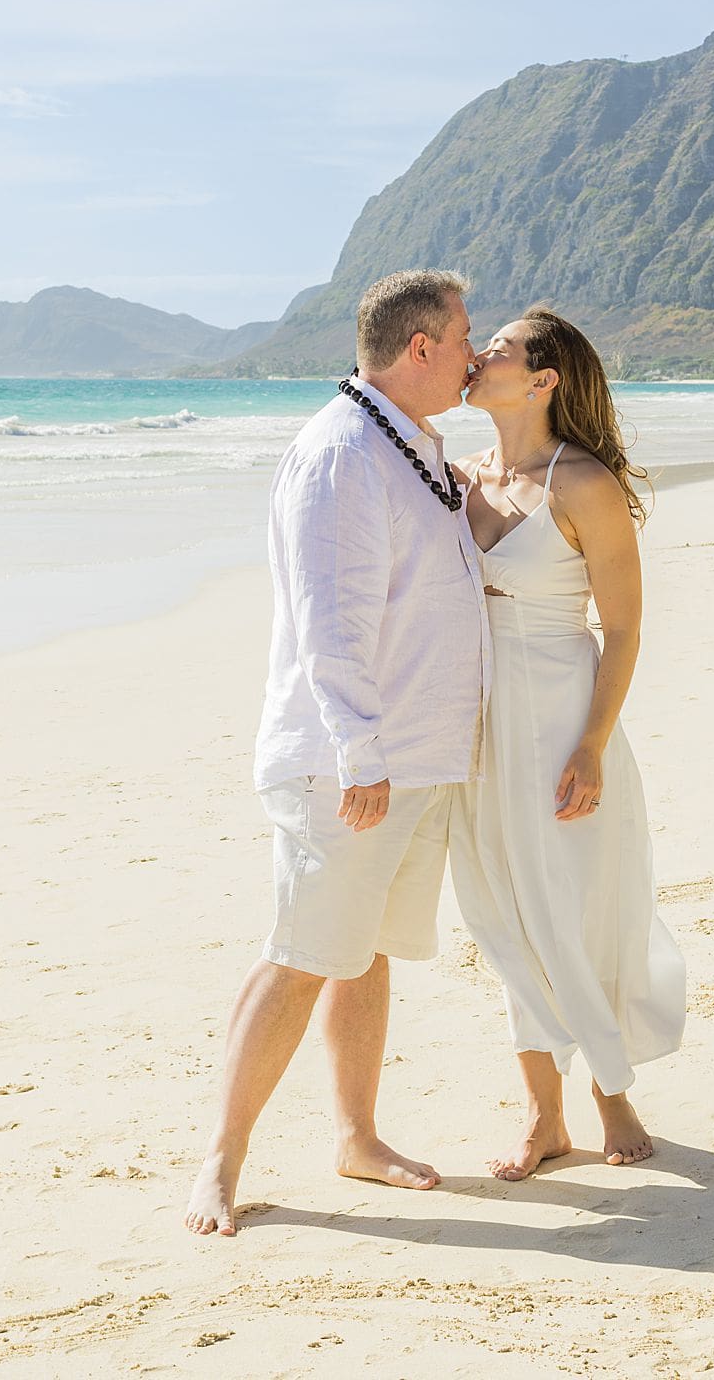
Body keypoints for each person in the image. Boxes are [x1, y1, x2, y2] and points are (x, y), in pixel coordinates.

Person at [186, 269, 488, 1235]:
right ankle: (221, 1163)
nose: (476, 354)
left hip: (412, 756)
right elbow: (331, 621)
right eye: (464, 337)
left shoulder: (409, 443)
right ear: (421, 347)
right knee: (303, 954)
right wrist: (361, 753)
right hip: (348, 764)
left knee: (362, 955)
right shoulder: (341, 454)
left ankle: (357, 1138)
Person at [450, 306, 686, 1181]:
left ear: (542, 380)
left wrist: (592, 744)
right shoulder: (458, 477)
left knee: (578, 907)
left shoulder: (582, 484)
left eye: (498, 350)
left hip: (561, 715)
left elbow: (623, 630)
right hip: (477, 722)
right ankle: (543, 1116)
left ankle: (611, 1090)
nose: (477, 357)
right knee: (502, 911)